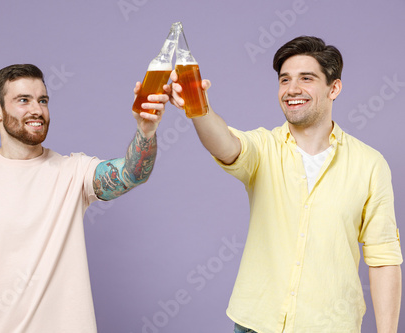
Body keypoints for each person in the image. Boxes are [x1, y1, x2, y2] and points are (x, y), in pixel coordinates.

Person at [168, 36, 402, 332]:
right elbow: (226, 146)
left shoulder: (370, 165)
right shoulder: (264, 147)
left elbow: (384, 260)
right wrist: (198, 109)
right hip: (256, 324)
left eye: (307, 78)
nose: (292, 89)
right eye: (284, 80)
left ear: (334, 88)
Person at [0, 63, 169, 333]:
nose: (37, 110)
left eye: (43, 100)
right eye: (23, 100)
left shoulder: (73, 171)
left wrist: (146, 132)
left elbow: (132, 174)